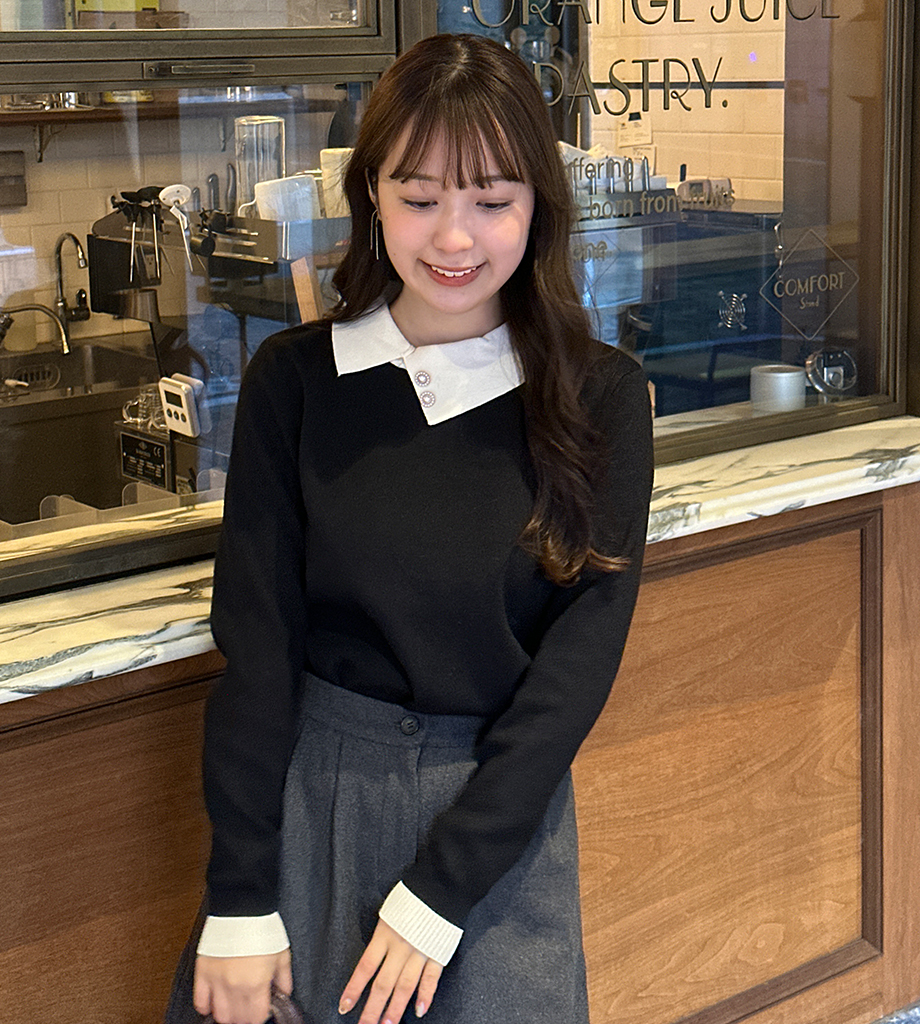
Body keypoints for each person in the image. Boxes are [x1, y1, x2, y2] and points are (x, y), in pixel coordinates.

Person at [167, 32, 653, 1024]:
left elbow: (573, 674)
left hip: (492, 829)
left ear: (539, 205)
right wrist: (240, 894)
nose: (454, 240)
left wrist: (440, 894)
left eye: (492, 201)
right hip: (312, 802)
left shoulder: (599, 396)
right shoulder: (296, 382)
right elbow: (258, 648)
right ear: (372, 196)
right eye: (419, 198)